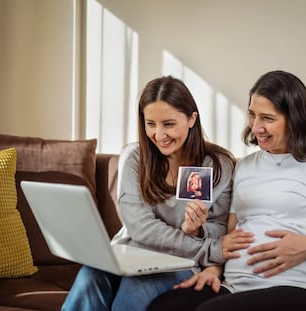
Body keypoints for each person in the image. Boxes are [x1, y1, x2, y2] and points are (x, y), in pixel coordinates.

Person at [148, 70, 306, 311]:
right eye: (252, 115)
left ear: (295, 119)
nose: (256, 127)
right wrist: (214, 268)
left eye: (267, 118)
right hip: (237, 286)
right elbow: (232, 235)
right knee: (163, 307)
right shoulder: (245, 167)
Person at [61, 75, 237, 311]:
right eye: (151, 123)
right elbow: (140, 228)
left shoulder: (216, 165)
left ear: (192, 119)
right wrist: (208, 249)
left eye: (169, 124)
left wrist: (196, 229)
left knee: (133, 292)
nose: (159, 135)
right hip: (130, 252)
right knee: (89, 275)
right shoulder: (134, 158)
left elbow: (220, 228)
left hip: (179, 263)